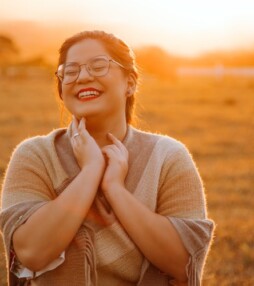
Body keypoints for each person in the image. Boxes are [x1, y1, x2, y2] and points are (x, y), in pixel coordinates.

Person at [0, 30, 214, 286]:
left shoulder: (168, 157)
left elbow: (183, 264)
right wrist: (91, 170)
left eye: (98, 66)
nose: (83, 77)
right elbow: (32, 252)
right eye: (70, 71)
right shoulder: (35, 155)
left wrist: (115, 189)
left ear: (130, 83)